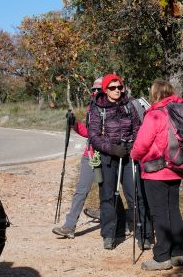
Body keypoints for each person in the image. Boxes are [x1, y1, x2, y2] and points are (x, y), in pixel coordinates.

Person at [88, 74, 153, 250]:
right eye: (112, 87)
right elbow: (93, 135)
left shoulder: (128, 105)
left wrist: (134, 144)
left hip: (129, 156)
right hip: (108, 157)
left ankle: (144, 235)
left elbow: (138, 127)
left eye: (119, 87)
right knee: (108, 197)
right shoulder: (97, 108)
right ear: (105, 90)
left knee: (136, 196)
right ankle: (109, 235)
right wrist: (111, 148)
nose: (117, 90)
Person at [131, 79, 183, 271]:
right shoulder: (180, 112)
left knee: (159, 213)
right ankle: (177, 252)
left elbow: (142, 144)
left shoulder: (155, 114)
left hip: (156, 170)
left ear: (154, 94)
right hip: (176, 168)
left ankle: (162, 256)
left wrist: (134, 155)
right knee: (173, 210)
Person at [52, 77, 104, 239]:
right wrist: (74, 124)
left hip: (108, 156)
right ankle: (69, 227)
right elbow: (88, 132)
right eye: (93, 89)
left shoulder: (116, 109)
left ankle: (110, 216)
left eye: (98, 90)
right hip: (89, 156)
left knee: (108, 191)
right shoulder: (91, 108)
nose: (95, 92)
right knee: (81, 191)